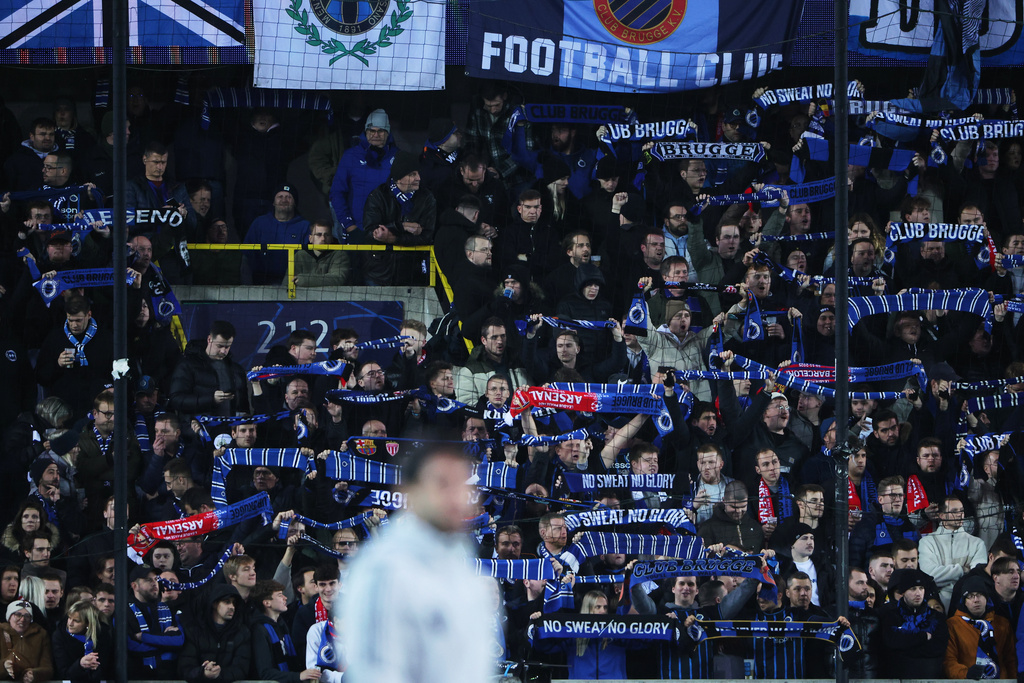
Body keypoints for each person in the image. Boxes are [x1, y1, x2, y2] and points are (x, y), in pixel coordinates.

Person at [342, 447, 493, 683]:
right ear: (410, 491)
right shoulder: (383, 568)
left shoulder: (463, 568)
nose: (455, 496)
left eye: (462, 485)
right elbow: (377, 674)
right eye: (442, 483)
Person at [943, 576, 1016, 679]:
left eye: (980, 595)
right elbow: (948, 661)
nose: (976, 600)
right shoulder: (952, 625)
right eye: (970, 596)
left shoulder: (1003, 623)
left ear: (987, 598)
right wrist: (966, 673)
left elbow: (1011, 660)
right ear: (964, 602)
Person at [249, 580, 319, 683]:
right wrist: (298, 676)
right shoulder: (259, 630)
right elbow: (266, 673)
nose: (285, 598)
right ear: (267, 603)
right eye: (280, 595)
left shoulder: (281, 625)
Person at [178, 585, 251, 683]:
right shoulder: (194, 631)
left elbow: (241, 669)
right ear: (214, 603)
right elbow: (185, 667)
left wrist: (218, 674)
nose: (232, 607)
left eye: (234, 603)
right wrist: (203, 672)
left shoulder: (242, 632)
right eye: (227, 602)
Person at [51, 600, 112, 682]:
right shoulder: (59, 636)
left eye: (76, 621)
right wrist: (80, 664)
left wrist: (95, 668)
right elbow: (63, 671)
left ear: (87, 623)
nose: (70, 623)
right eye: (69, 618)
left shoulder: (102, 635)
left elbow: (106, 668)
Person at [0, 599, 53, 682]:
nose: (22, 619)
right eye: (18, 615)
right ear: (9, 617)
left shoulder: (40, 635)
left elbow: (48, 669)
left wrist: (34, 674)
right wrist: (4, 666)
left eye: (27, 616)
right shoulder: (1, 633)